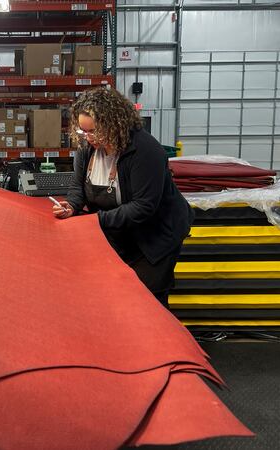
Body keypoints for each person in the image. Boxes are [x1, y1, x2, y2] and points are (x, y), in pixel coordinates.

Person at [53, 87, 194, 307]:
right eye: (84, 132)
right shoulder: (87, 148)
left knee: (147, 300)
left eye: (95, 131)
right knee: (117, 295)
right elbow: (77, 186)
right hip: (122, 231)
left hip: (155, 236)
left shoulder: (145, 151)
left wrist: (96, 220)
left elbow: (144, 206)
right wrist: (71, 205)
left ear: (114, 124)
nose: (89, 138)